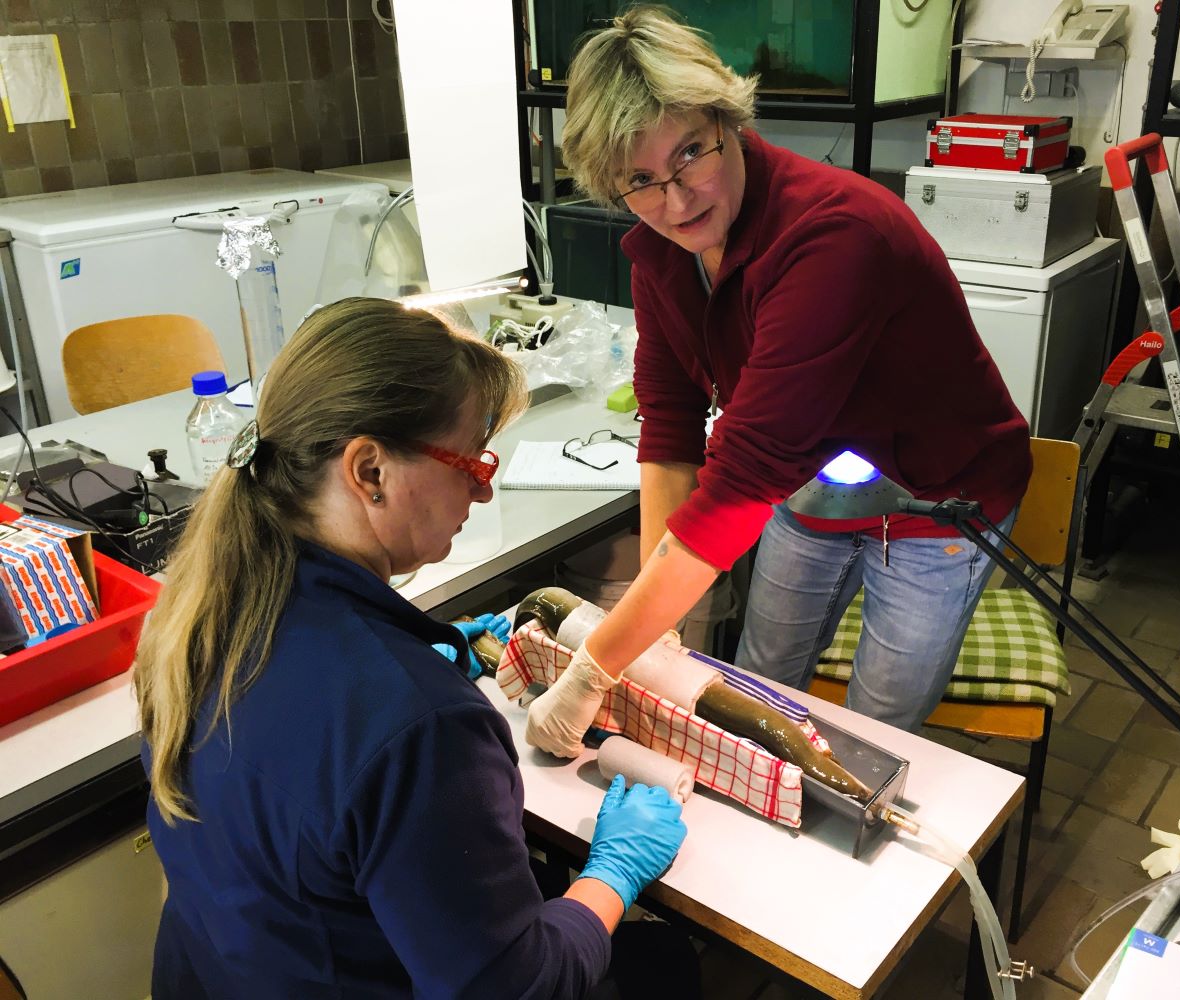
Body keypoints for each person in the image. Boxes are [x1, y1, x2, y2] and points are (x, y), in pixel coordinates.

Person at [134, 297, 689, 999]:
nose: (482, 494)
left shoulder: (194, 616)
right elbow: (518, 989)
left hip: (224, 975)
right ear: (369, 471)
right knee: (660, 965)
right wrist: (612, 872)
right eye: (470, 463)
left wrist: (423, 655)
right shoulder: (421, 727)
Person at [525, 7, 1032, 757]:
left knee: (871, 731)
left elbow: (745, 470)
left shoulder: (833, 235)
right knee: (755, 689)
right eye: (639, 180)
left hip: (937, 500)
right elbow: (669, 432)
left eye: (691, 153)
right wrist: (656, 627)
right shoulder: (661, 256)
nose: (677, 200)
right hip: (817, 482)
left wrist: (596, 667)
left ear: (728, 119)